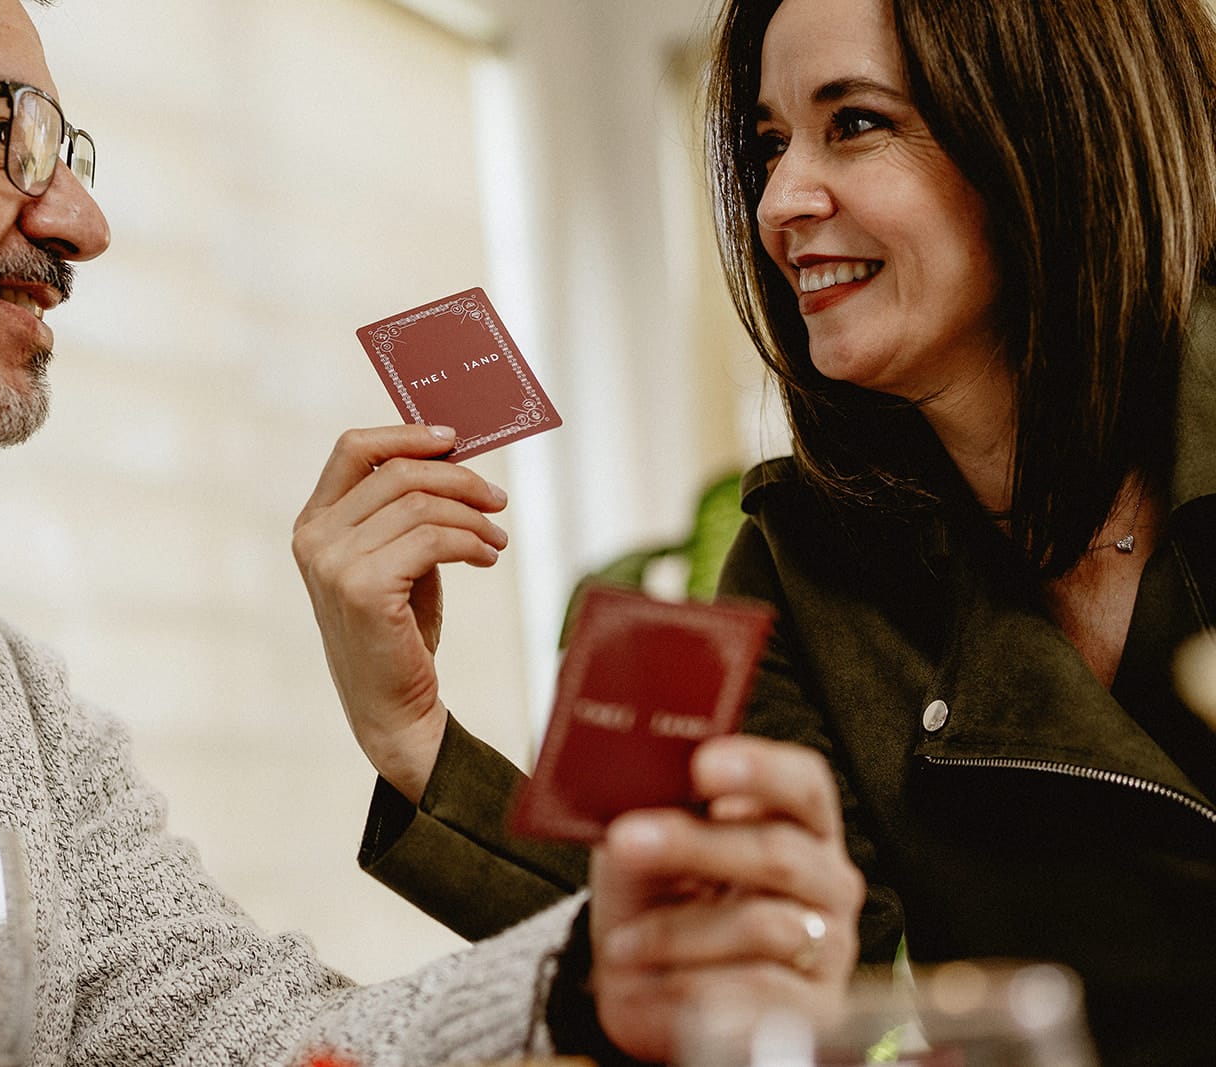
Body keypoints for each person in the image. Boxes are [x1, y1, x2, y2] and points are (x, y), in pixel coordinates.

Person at [0, 0, 867, 1064]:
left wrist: (583, 980)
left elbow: (240, 1034)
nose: (81, 225)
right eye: (3, 139)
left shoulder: (5, 697)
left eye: (70, 158)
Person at [291, 0, 1216, 1064]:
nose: (779, 200)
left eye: (855, 122)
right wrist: (414, 740)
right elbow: (710, 952)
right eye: (769, 143)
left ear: (1056, 128)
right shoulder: (808, 559)